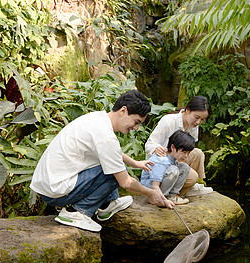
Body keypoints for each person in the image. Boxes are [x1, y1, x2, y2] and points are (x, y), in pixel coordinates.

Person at [30, 90, 174, 232]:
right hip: (56, 192)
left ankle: (108, 205)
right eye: (136, 122)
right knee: (116, 172)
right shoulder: (105, 136)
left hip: (50, 185)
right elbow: (126, 183)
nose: (136, 128)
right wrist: (150, 193)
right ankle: (77, 212)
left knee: (116, 165)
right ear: (123, 110)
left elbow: (111, 152)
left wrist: (135, 163)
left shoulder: (98, 118)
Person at [145, 95, 213, 197]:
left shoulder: (193, 125)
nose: (198, 122)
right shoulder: (169, 121)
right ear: (188, 110)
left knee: (197, 153)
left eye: (202, 119)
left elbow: (189, 149)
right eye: (197, 117)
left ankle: (190, 187)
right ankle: (171, 194)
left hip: (176, 159)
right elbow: (149, 144)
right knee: (192, 176)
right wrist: (156, 148)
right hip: (161, 163)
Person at [141, 130, 195, 205]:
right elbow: (154, 186)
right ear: (172, 147)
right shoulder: (162, 160)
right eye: (184, 152)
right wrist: (162, 200)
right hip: (151, 192)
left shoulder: (172, 158)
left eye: (188, 153)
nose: (186, 156)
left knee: (184, 167)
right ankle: (163, 198)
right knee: (174, 170)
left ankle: (172, 196)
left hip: (160, 188)